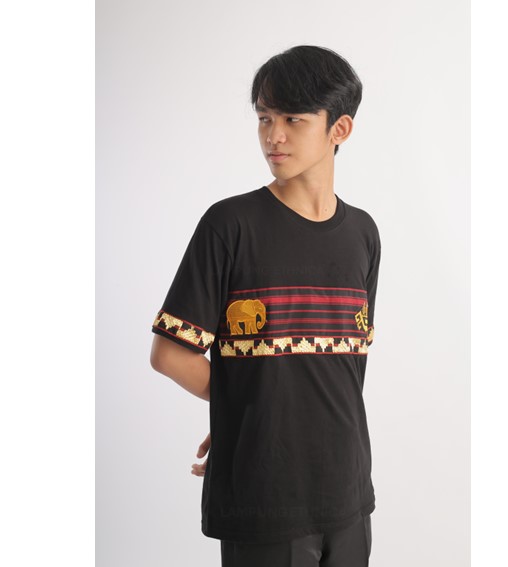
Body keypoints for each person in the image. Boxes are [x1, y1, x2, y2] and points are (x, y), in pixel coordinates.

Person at [150, 45, 381, 567]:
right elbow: (171, 354)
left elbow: (348, 367)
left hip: (348, 492)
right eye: (264, 118)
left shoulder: (363, 235)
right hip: (265, 497)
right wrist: (245, 412)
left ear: (340, 129)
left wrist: (252, 406)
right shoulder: (230, 225)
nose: (273, 135)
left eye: (292, 119)